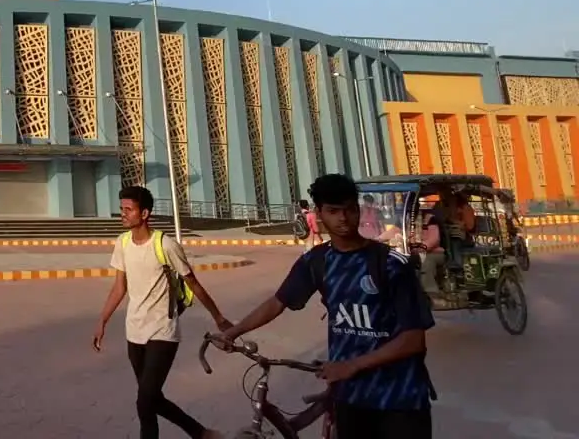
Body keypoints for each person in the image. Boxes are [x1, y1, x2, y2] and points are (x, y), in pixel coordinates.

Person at [216, 174, 435, 439]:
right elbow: (277, 302)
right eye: (333, 211)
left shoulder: (390, 265)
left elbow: (413, 340)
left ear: (358, 210)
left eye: (349, 209)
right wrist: (233, 332)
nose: (343, 218)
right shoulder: (316, 262)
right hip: (350, 399)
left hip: (400, 400)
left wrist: (351, 365)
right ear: (319, 214)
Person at [92, 186, 229, 439]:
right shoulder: (122, 243)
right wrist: (102, 320)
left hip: (162, 332)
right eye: (122, 209)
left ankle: (200, 433)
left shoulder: (165, 245)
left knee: (144, 402)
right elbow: (119, 287)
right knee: (151, 399)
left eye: (128, 209)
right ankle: (201, 433)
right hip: (134, 331)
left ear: (144, 213)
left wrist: (218, 317)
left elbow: (193, 283)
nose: (122, 214)